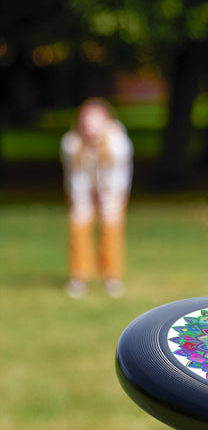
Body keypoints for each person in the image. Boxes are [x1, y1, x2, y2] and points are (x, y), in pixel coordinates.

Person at [60, 97, 133, 298]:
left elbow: (118, 176)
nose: (91, 127)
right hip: (82, 189)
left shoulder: (118, 143)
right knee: (79, 224)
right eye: (87, 121)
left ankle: (112, 277)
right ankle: (79, 276)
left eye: (96, 121)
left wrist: (106, 196)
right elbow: (76, 176)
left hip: (112, 189)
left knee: (111, 227)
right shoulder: (71, 143)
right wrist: (84, 199)